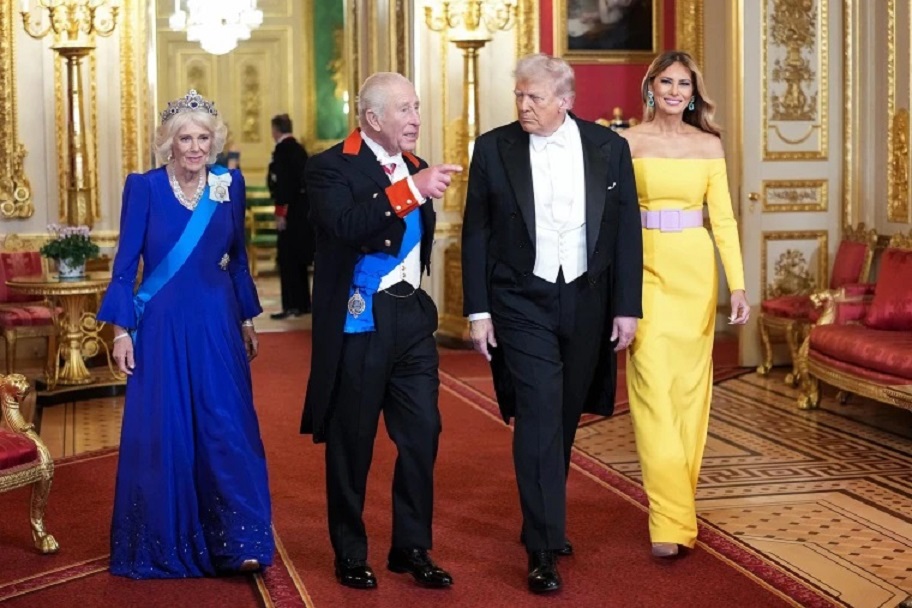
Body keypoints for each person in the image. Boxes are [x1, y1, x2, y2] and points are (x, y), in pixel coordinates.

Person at [461, 53, 643, 593]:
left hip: (587, 298)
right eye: (519, 95)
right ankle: (542, 547)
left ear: (565, 101)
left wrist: (626, 306)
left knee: (563, 415)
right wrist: (479, 311)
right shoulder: (492, 148)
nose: (523, 105)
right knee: (539, 413)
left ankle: (542, 513)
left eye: (534, 97)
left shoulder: (609, 147)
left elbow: (626, 231)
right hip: (521, 298)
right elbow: (476, 232)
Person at [99, 89, 274, 578]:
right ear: (168, 143)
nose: (195, 148)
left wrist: (246, 319)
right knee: (167, 431)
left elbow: (238, 260)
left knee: (227, 426)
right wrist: (122, 332)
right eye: (185, 139)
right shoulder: (144, 187)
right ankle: (165, 540)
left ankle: (239, 541)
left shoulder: (229, 184)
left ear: (214, 142)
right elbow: (125, 266)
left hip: (217, 322)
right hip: (162, 327)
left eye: (203, 138)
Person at [301, 72, 462, 590]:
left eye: (417, 107)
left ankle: (411, 548)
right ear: (372, 118)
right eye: (405, 109)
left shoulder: (415, 165)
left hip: (411, 317)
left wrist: (414, 182)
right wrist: (412, 189)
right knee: (353, 440)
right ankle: (350, 552)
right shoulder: (329, 167)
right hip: (361, 318)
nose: (416, 118)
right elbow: (346, 225)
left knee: (422, 433)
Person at [618, 50, 750, 558]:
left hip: (695, 275)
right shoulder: (627, 142)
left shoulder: (708, 145)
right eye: (667, 82)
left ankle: (676, 510)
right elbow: (612, 218)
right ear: (651, 86)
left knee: (690, 395)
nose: (675, 91)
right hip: (644, 272)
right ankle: (670, 519)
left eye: (684, 84)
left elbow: (725, 220)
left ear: (694, 94)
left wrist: (738, 285)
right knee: (652, 391)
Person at [267, 114, 314, 319]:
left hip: (290, 212)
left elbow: (283, 184)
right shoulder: (300, 149)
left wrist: (280, 213)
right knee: (300, 260)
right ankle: (303, 303)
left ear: (276, 130)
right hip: (303, 213)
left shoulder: (282, 150)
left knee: (287, 259)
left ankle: (291, 305)